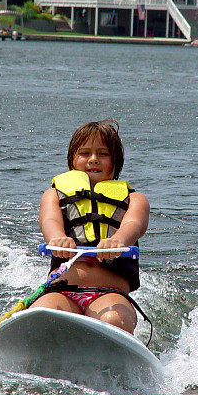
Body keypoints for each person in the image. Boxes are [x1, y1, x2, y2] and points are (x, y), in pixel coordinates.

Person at [32, 119, 149, 334]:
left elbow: (135, 223)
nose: (93, 160)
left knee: (114, 321)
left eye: (103, 154)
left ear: (116, 162)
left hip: (110, 294)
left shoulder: (135, 199)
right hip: (63, 291)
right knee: (42, 316)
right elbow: (49, 221)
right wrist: (57, 238)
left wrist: (119, 240)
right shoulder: (53, 195)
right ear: (72, 160)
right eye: (85, 153)